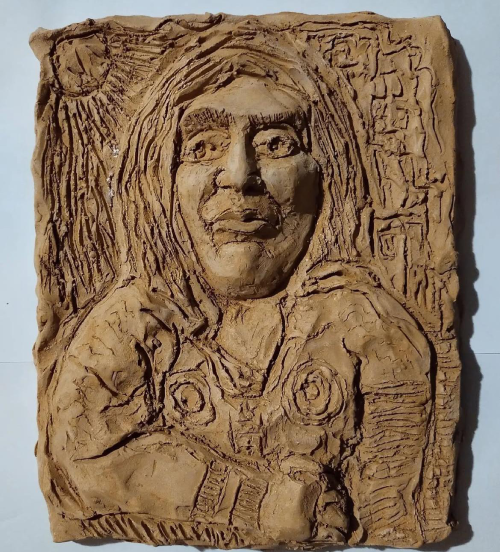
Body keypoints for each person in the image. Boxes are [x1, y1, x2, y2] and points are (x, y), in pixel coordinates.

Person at [47, 35, 431, 548]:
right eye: (203, 147)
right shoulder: (134, 323)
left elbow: (391, 507)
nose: (240, 176)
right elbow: (79, 456)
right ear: (158, 182)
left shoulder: (364, 328)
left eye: (276, 144)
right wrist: (254, 500)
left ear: (328, 175)